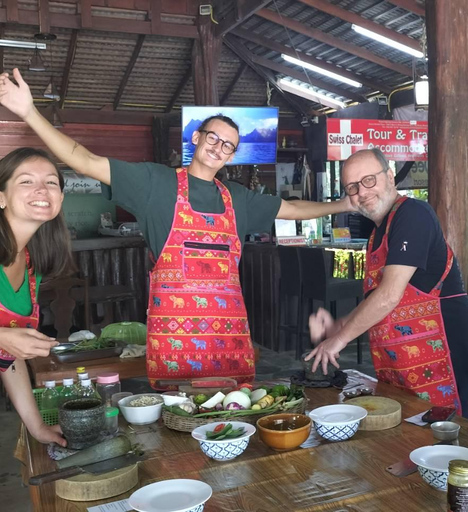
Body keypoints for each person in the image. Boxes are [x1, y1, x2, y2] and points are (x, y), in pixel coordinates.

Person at [0, 68, 351, 390]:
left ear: (232, 155)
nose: (218, 148)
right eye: (213, 138)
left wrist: (345, 205)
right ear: (196, 137)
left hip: (229, 341)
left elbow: (292, 208)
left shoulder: (238, 199)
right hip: (174, 344)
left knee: (235, 415)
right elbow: (85, 160)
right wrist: (30, 113)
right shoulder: (156, 183)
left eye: (228, 145)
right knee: (178, 428)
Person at [305, 148, 468, 417]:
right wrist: (337, 326)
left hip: (442, 354)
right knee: (406, 443)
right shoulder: (378, 233)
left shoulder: (413, 214)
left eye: (368, 180)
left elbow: (389, 295)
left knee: (439, 444)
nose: (362, 192)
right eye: (352, 187)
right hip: (400, 361)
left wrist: (339, 340)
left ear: (390, 176)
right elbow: (376, 300)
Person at [0, 147, 73, 446]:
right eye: (26, 181)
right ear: (1, 196)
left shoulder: (30, 261)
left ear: (60, 199)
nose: (42, 189)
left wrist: (37, 427)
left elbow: (9, 357)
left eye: (51, 182)